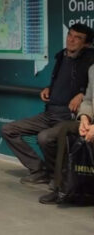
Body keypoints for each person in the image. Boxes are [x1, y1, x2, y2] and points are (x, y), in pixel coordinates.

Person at [1, 23, 94, 185]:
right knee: (8, 130)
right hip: (50, 113)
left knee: (44, 138)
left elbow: (90, 88)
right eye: (70, 35)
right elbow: (61, 81)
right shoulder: (62, 56)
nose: (71, 40)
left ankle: (57, 176)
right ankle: (39, 170)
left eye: (78, 38)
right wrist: (49, 88)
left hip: (69, 116)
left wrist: (82, 94)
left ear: (86, 44)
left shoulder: (90, 59)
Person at [39, 62, 94, 204]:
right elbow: (88, 100)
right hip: (91, 122)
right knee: (65, 129)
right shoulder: (92, 69)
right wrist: (84, 118)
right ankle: (61, 188)